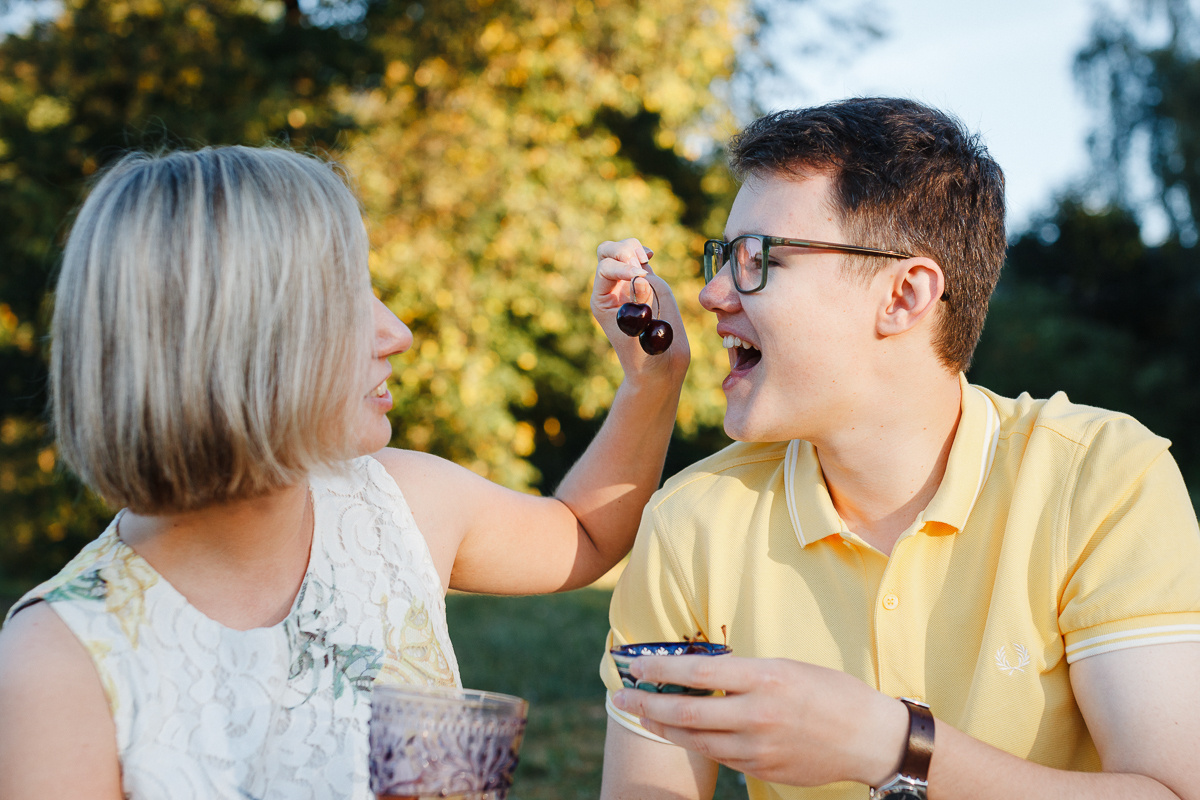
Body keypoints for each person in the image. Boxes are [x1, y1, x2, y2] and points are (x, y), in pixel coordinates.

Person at [0, 145, 689, 799]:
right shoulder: (59, 664)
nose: (397, 333)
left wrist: (651, 381)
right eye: (347, 299)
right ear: (238, 345)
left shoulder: (398, 504)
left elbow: (582, 535)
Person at [597, 97, 1200, 800]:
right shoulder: (692, 521)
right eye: (722, 256)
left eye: (757, 259)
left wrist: (892, 745)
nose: (710, 293)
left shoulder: (1100, 480)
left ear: (905, 295)